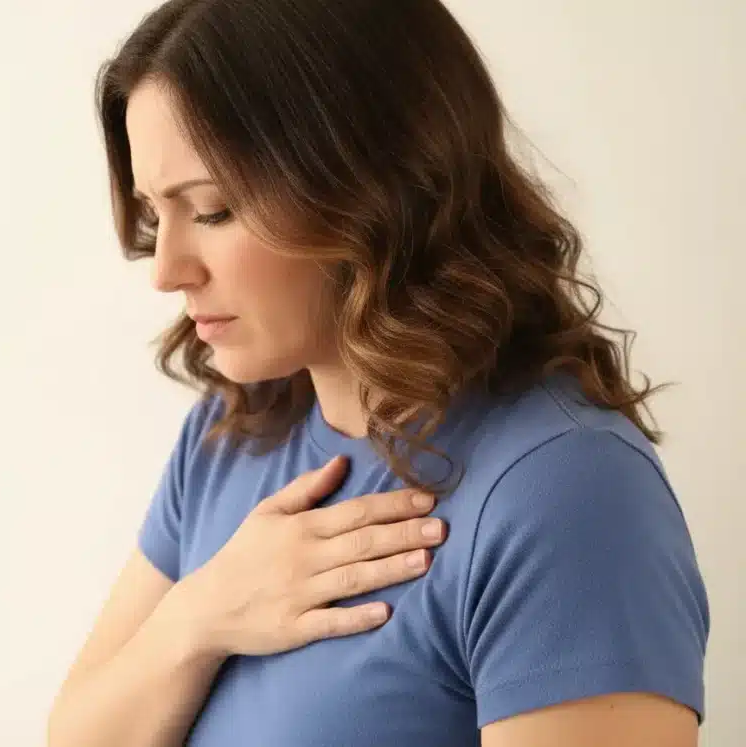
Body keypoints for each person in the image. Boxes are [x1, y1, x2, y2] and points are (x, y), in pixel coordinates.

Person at [48, 1, 709, 745]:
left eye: (212, 209)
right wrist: (199, 619)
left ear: (368, 189)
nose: (166, 270)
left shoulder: (564, 492)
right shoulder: (230, 435)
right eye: (153, 212)